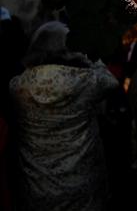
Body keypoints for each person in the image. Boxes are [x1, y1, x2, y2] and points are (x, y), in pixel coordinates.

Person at [9, 21, 118, 211]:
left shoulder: (18, 86)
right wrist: (89, 55)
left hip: (37, 188)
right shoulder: (82, 82)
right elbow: (110, 81)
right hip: (82, 187)